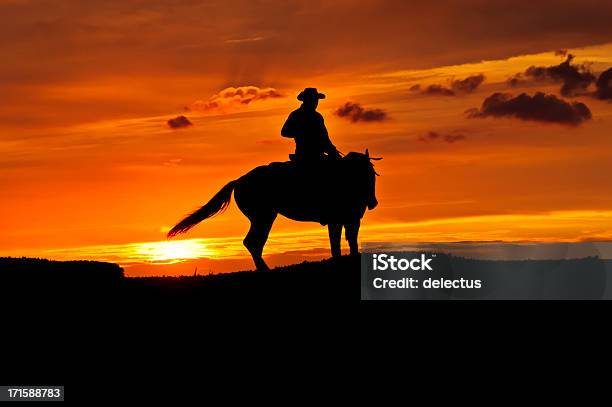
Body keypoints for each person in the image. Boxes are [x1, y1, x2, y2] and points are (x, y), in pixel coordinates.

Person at [281, 87, 341, 162]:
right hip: (303, 155)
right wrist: (302, 132)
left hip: (318, 154)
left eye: (316, 100)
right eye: (313, 100)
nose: (316, 102)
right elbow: (284, 132)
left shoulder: (318, 117)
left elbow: (325, 138)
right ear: (306, 100)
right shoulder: (296, 115)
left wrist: (333, 150)